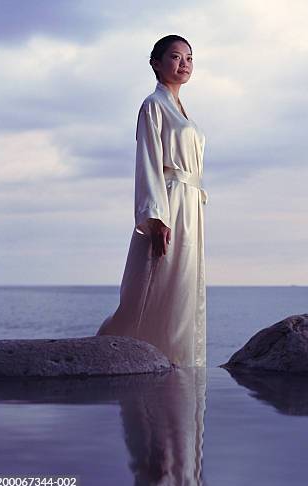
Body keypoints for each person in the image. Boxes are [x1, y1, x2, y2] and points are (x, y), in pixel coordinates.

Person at [97, 34, 208, 368]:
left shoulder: (180, 109)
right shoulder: (153, 105)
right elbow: (148, 160)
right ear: (156, 64)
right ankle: (117, 352)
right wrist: (156, 217)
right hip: (170, 202)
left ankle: (177, 362)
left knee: (183, 287)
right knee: (157, 278)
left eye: (189, 57)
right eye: (175, 57)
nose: (184, 63)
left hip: (190, 204)